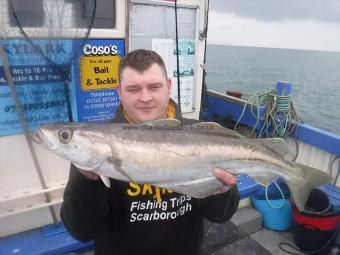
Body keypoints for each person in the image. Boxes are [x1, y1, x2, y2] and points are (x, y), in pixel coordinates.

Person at [61, 49, 240, 255]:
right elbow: (81, 231)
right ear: (119, 91)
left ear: (169, 86)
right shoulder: (94, 144)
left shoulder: (201, 134)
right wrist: (86, 182)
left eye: (154, 87)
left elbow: (221, 215)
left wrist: (221, 191)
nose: (145, 98)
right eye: (133, 89)